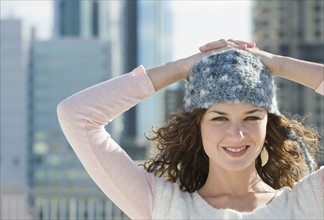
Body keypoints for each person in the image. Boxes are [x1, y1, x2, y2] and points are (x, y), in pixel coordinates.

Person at [57, 39, 324, 219]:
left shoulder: (307, 203)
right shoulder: (165, 206)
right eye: (219, 118)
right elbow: (76, 115)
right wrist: (181, 68)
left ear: (269, 124)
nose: (237, 134)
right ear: (197, 126)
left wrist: (276, 63)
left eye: (251, 118)